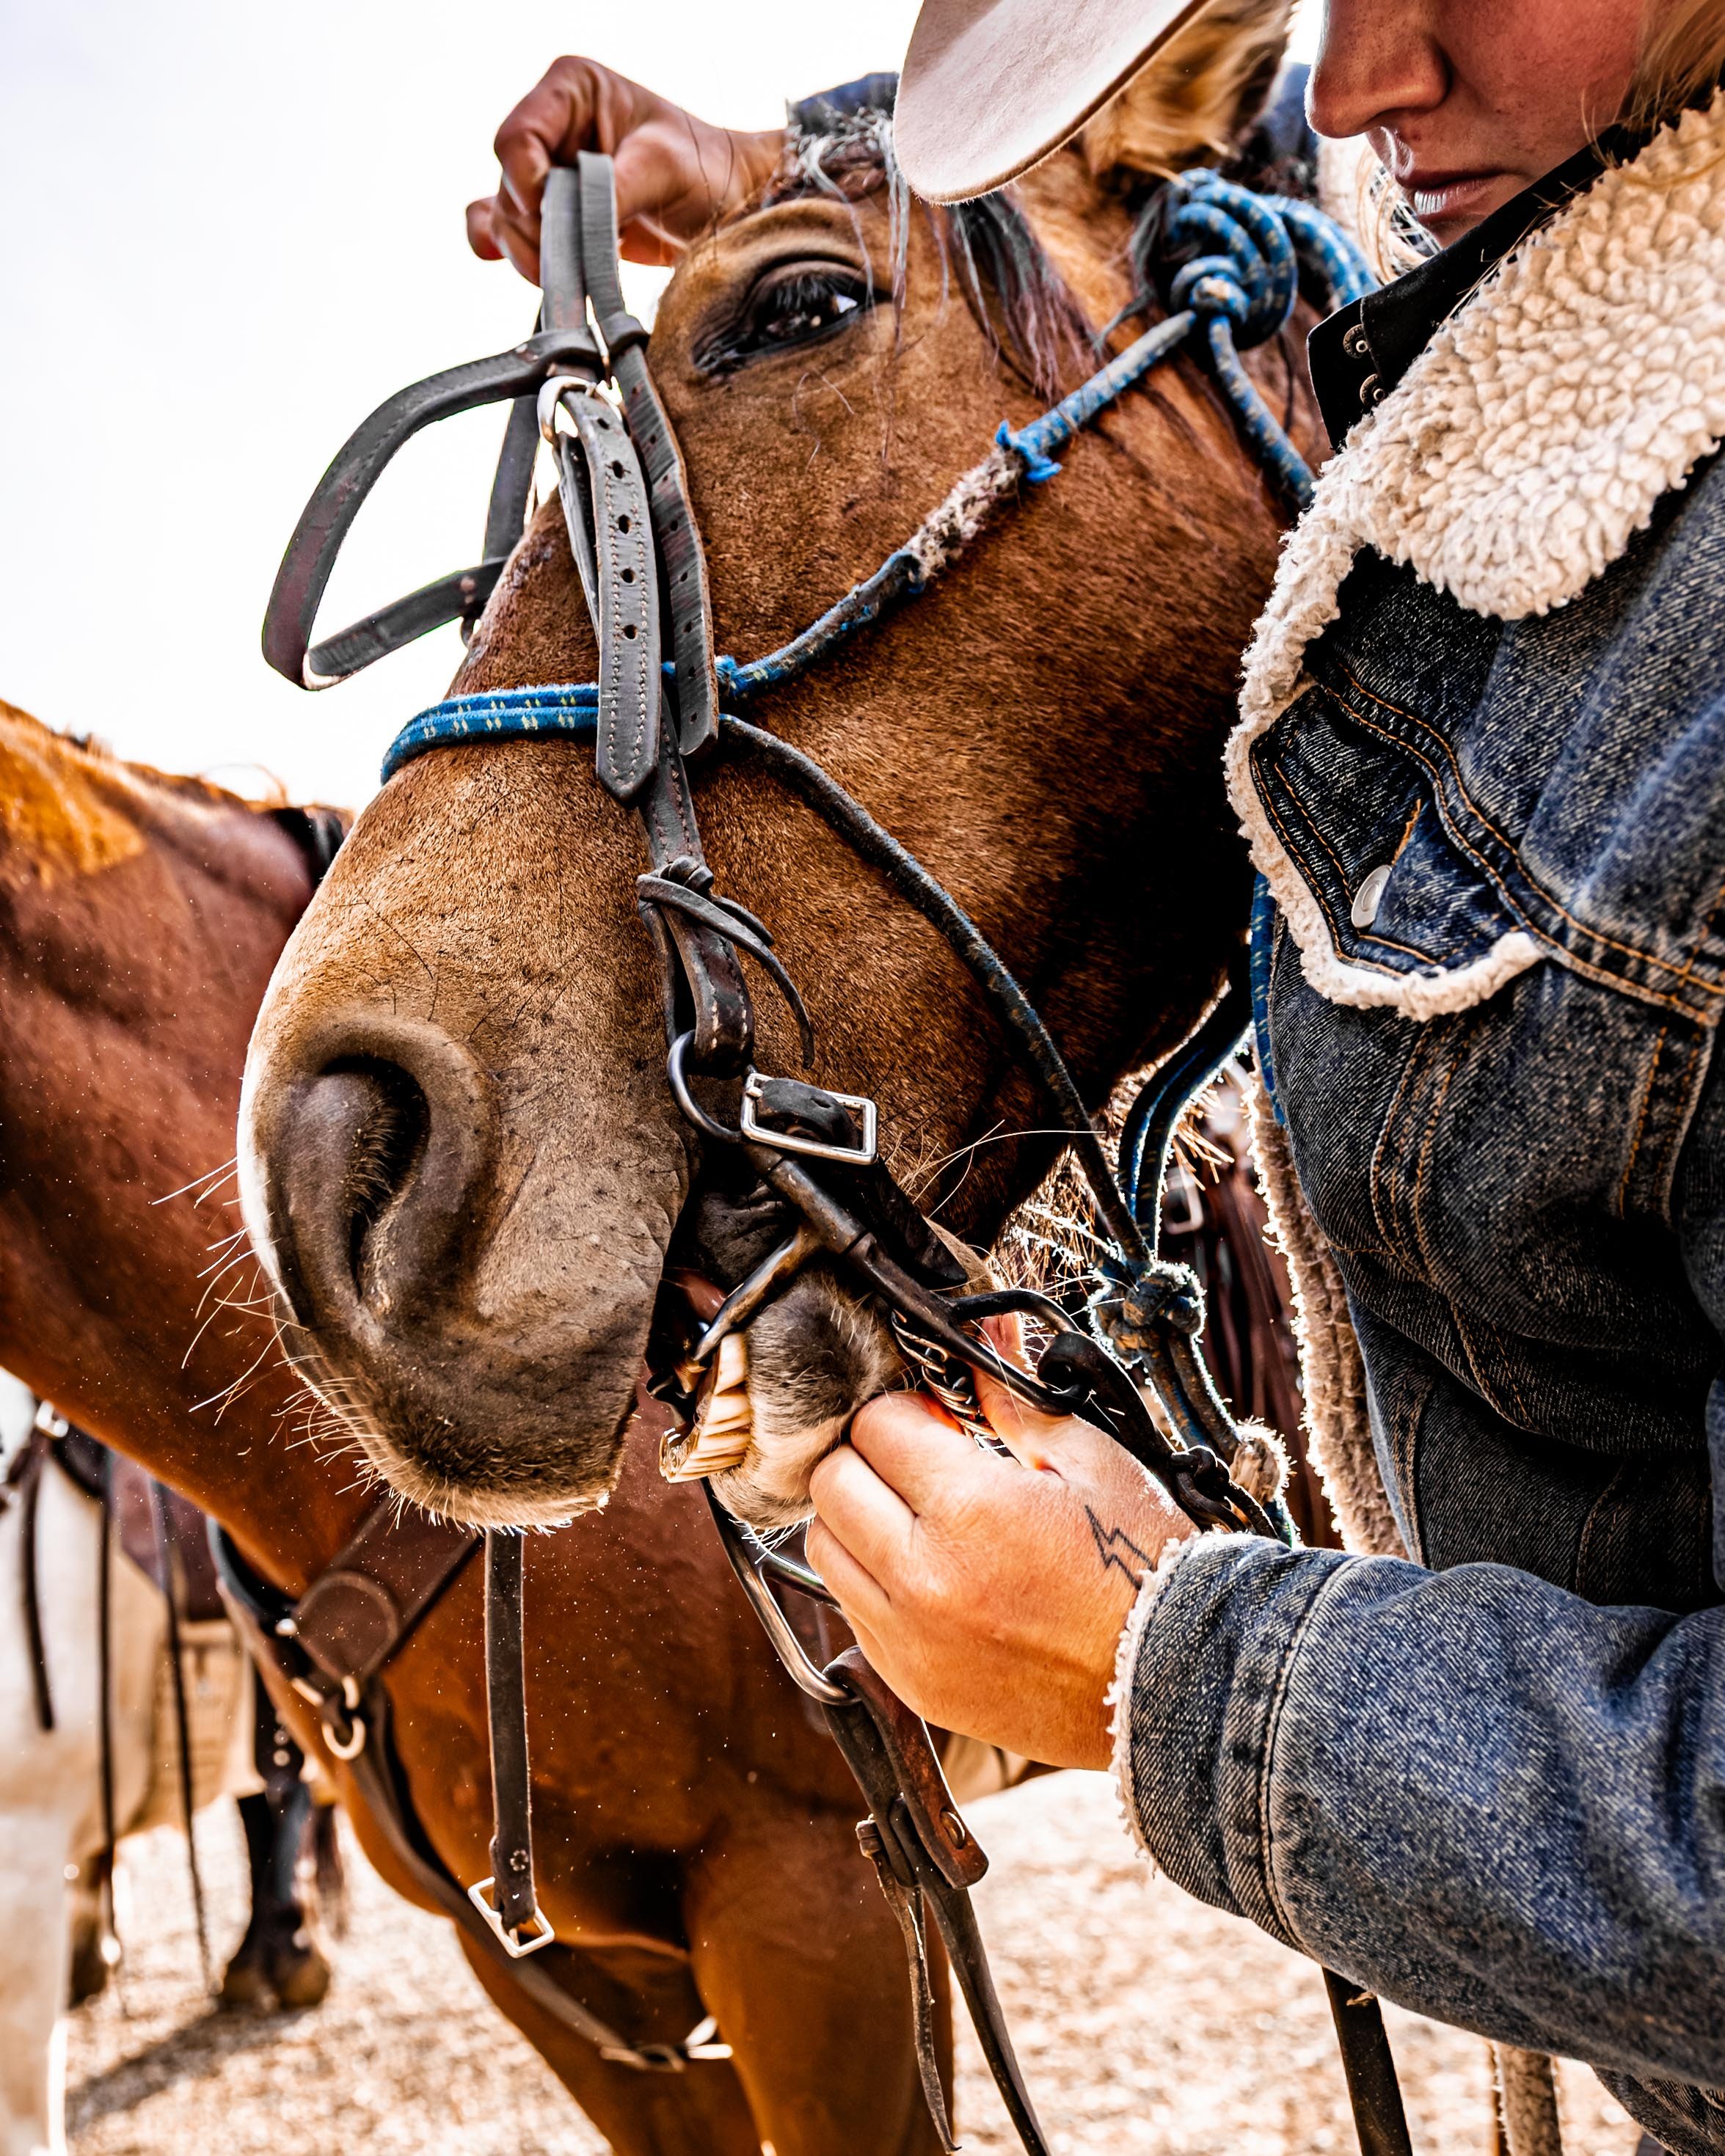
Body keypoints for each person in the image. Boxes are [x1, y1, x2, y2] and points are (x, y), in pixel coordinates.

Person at [468, 5, 1725, 2149]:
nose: (1357, 80)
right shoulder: (1554, 251)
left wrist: (1168, 1673)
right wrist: (821, 171)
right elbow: (1255, 207)